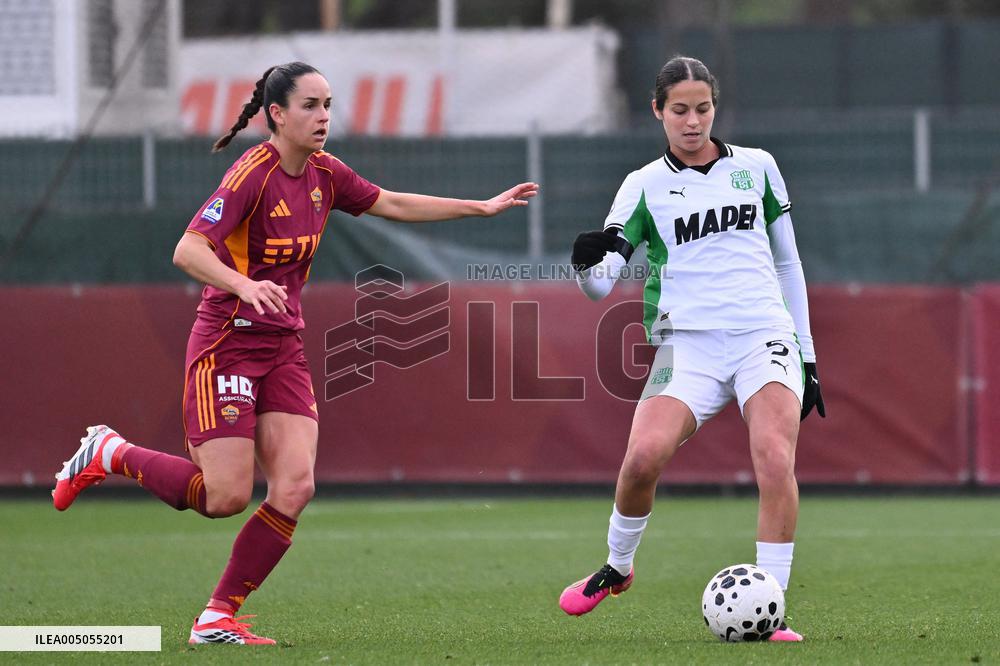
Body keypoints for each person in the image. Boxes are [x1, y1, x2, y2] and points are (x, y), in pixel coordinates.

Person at [52, 61, 538, 646]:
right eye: (311, 105)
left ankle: (215, 618)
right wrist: (241, 284)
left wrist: (479, 207)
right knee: (225, 496)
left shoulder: (325, 174)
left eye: (329, 105)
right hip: (227, 344)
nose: (324, 116)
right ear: (276, 115)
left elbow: (392, 203)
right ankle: (110, 451)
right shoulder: (252, 175)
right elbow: (188, 248)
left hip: (283, 347)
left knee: (295, 487)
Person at [558, 56, 825, 642]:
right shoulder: (642, 185)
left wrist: (806, 353)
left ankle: (772, 609)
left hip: (764, 336)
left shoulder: (758, 167)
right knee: (641, 460)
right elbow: (601, 281)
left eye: (702, 108)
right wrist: (584, 263)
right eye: (679, 110)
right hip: (687, 347)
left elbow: (788, 261)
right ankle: (617, 568)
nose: (693, 121)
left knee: (775, 459)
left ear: (714, 107)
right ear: (658, 111)